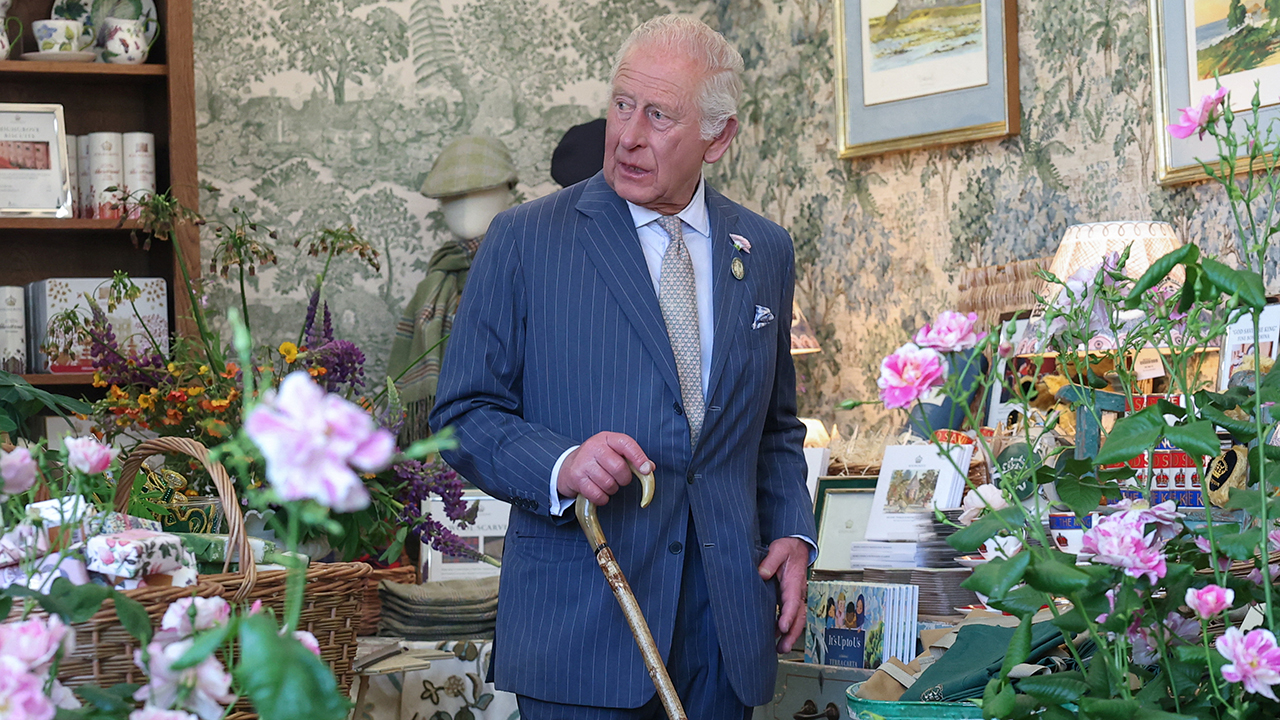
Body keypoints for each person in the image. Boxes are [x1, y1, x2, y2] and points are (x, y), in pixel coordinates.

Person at [430, 15, 815, 720]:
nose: (628, 135)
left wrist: (795, 530)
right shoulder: (522, 242)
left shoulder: (764, 250)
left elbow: (776, 428)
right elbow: (460, 416)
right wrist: (562, 463)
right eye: (622, 104)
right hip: (582, 629)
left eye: (660, 115)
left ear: (718, 138)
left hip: (726, 634)